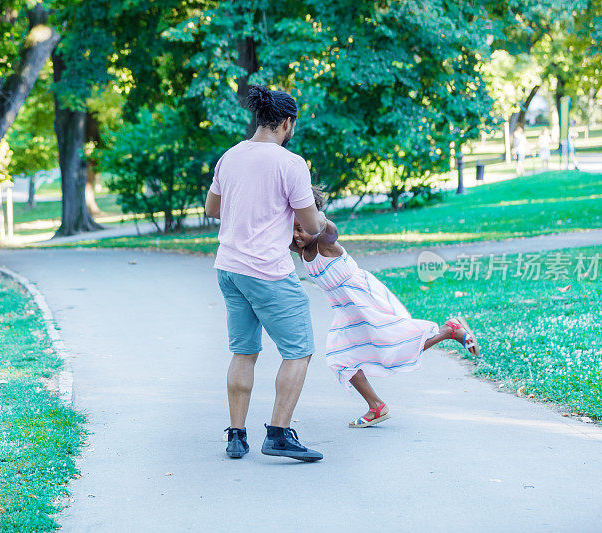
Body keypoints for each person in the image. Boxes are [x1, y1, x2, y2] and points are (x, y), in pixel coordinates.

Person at [205, 85, 326, 462]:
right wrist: (322, 221)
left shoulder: (230, 157)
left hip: (229, 268)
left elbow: (213, 209)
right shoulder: (290, 164)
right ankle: (278, 433)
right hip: (267, 272)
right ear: (287, 123)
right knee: (299, 349)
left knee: (244, 351)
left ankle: (236, 436)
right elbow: (311, 222)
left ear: (260, 119)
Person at [291, 188, 480, 428]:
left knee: (393, 345)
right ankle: (376, 406)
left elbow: (328, 228)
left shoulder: (324, 242)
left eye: (302, 227)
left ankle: (448, 331)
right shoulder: (300, 248)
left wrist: (308, 206)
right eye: (293, 228)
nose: (297, 234)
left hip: (364, 300)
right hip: (346, 310)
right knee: (340, 358)